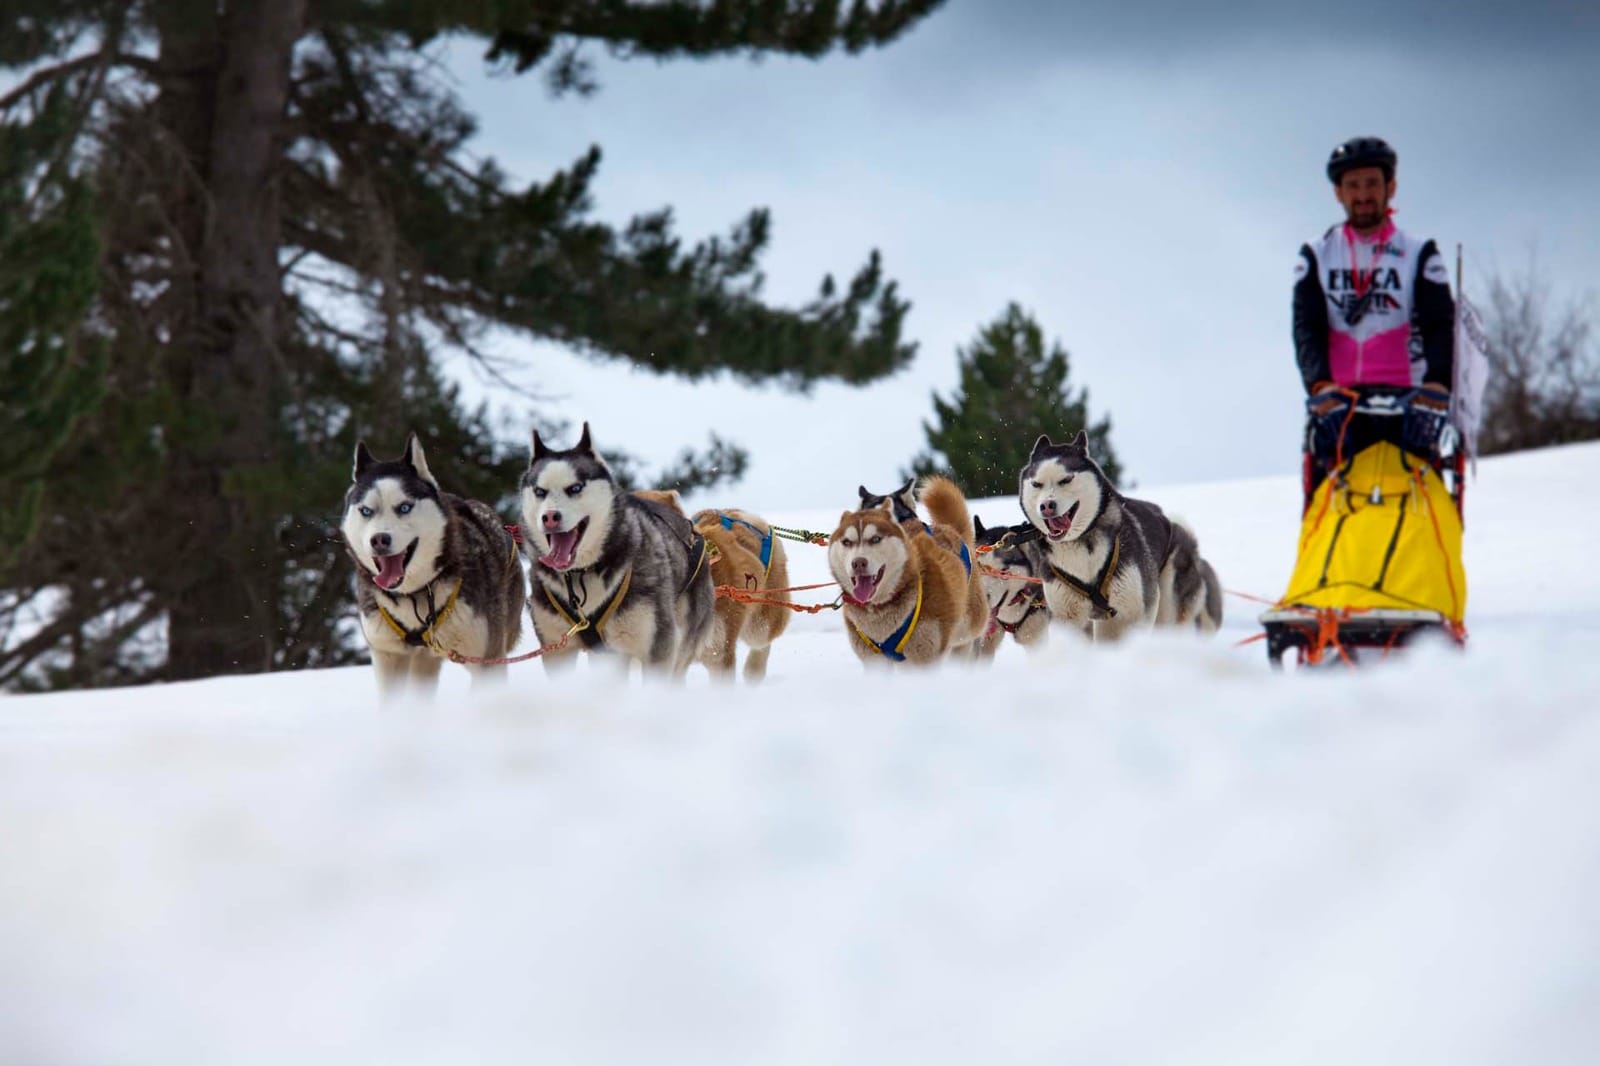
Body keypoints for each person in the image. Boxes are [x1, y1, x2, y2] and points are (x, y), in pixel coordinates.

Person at [1293, 137, 1456, 495]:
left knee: (1418, 509)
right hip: (1341, 408)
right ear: (1338, 192)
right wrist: (1320, 384)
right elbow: (1307, 328)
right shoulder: (1317, 255)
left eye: (1371, 184)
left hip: (1410, 405)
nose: (1363, 194)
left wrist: (1438, 382)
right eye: (1352, 185)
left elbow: (1440, 323)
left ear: (1390, 187)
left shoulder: (1419, 252)